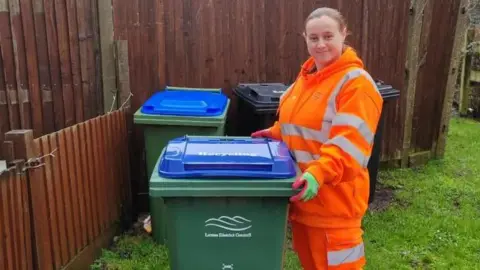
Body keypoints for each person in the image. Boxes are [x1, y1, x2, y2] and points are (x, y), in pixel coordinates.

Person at [251, 7, 383, 270]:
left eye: (328, 36)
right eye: (313, 38)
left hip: (335, 208)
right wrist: (276, 132)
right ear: (305, 39)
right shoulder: (308, 78)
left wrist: (318, 173)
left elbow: (349, 144)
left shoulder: (356, 84)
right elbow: (303, 124)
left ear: (344, 34)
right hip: (306, 204)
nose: (320, 44)